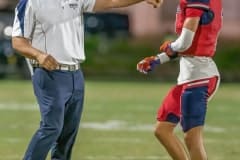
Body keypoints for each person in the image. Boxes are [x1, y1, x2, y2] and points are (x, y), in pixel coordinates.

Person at [11, 0, 162, 159]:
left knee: (68, 134)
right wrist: (38, 55)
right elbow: (18, 41)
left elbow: (111, 2)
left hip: (75, 74)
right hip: (49, 73)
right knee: (52, 127)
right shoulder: (30, 3)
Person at [137, 0, 222, 159]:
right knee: (162, 129)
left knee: (192, 138)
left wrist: (171, 46)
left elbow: (184, 43)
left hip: (200, 76)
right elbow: (185, 47)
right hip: (188, 76)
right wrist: (158, 59)